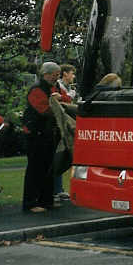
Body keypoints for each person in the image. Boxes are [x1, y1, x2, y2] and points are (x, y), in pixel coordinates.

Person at [22, 62, 69, 213]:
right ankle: (30, 203)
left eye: (58, 74)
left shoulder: (55, 88)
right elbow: (45, 110)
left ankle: (46, 201)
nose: (57, 77)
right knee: (35, 169)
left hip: (49, 134)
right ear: (46, 74)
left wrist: (59, 98)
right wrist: (57, 101)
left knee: (49, 168)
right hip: (36, 134)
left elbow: (67, 99)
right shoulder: (36, 89)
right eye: (55, 74)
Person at [53, 64, 77, 200]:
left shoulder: (67, 88)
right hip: (61, 126)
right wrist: (68, 96)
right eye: (72, 73)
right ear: (65, 74)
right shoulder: (59, 86)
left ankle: (58, 189)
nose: (73, 76)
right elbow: (62, 100)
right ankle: (55, 190)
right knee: (59, 155)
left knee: (63, 156)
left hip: (66, 125)